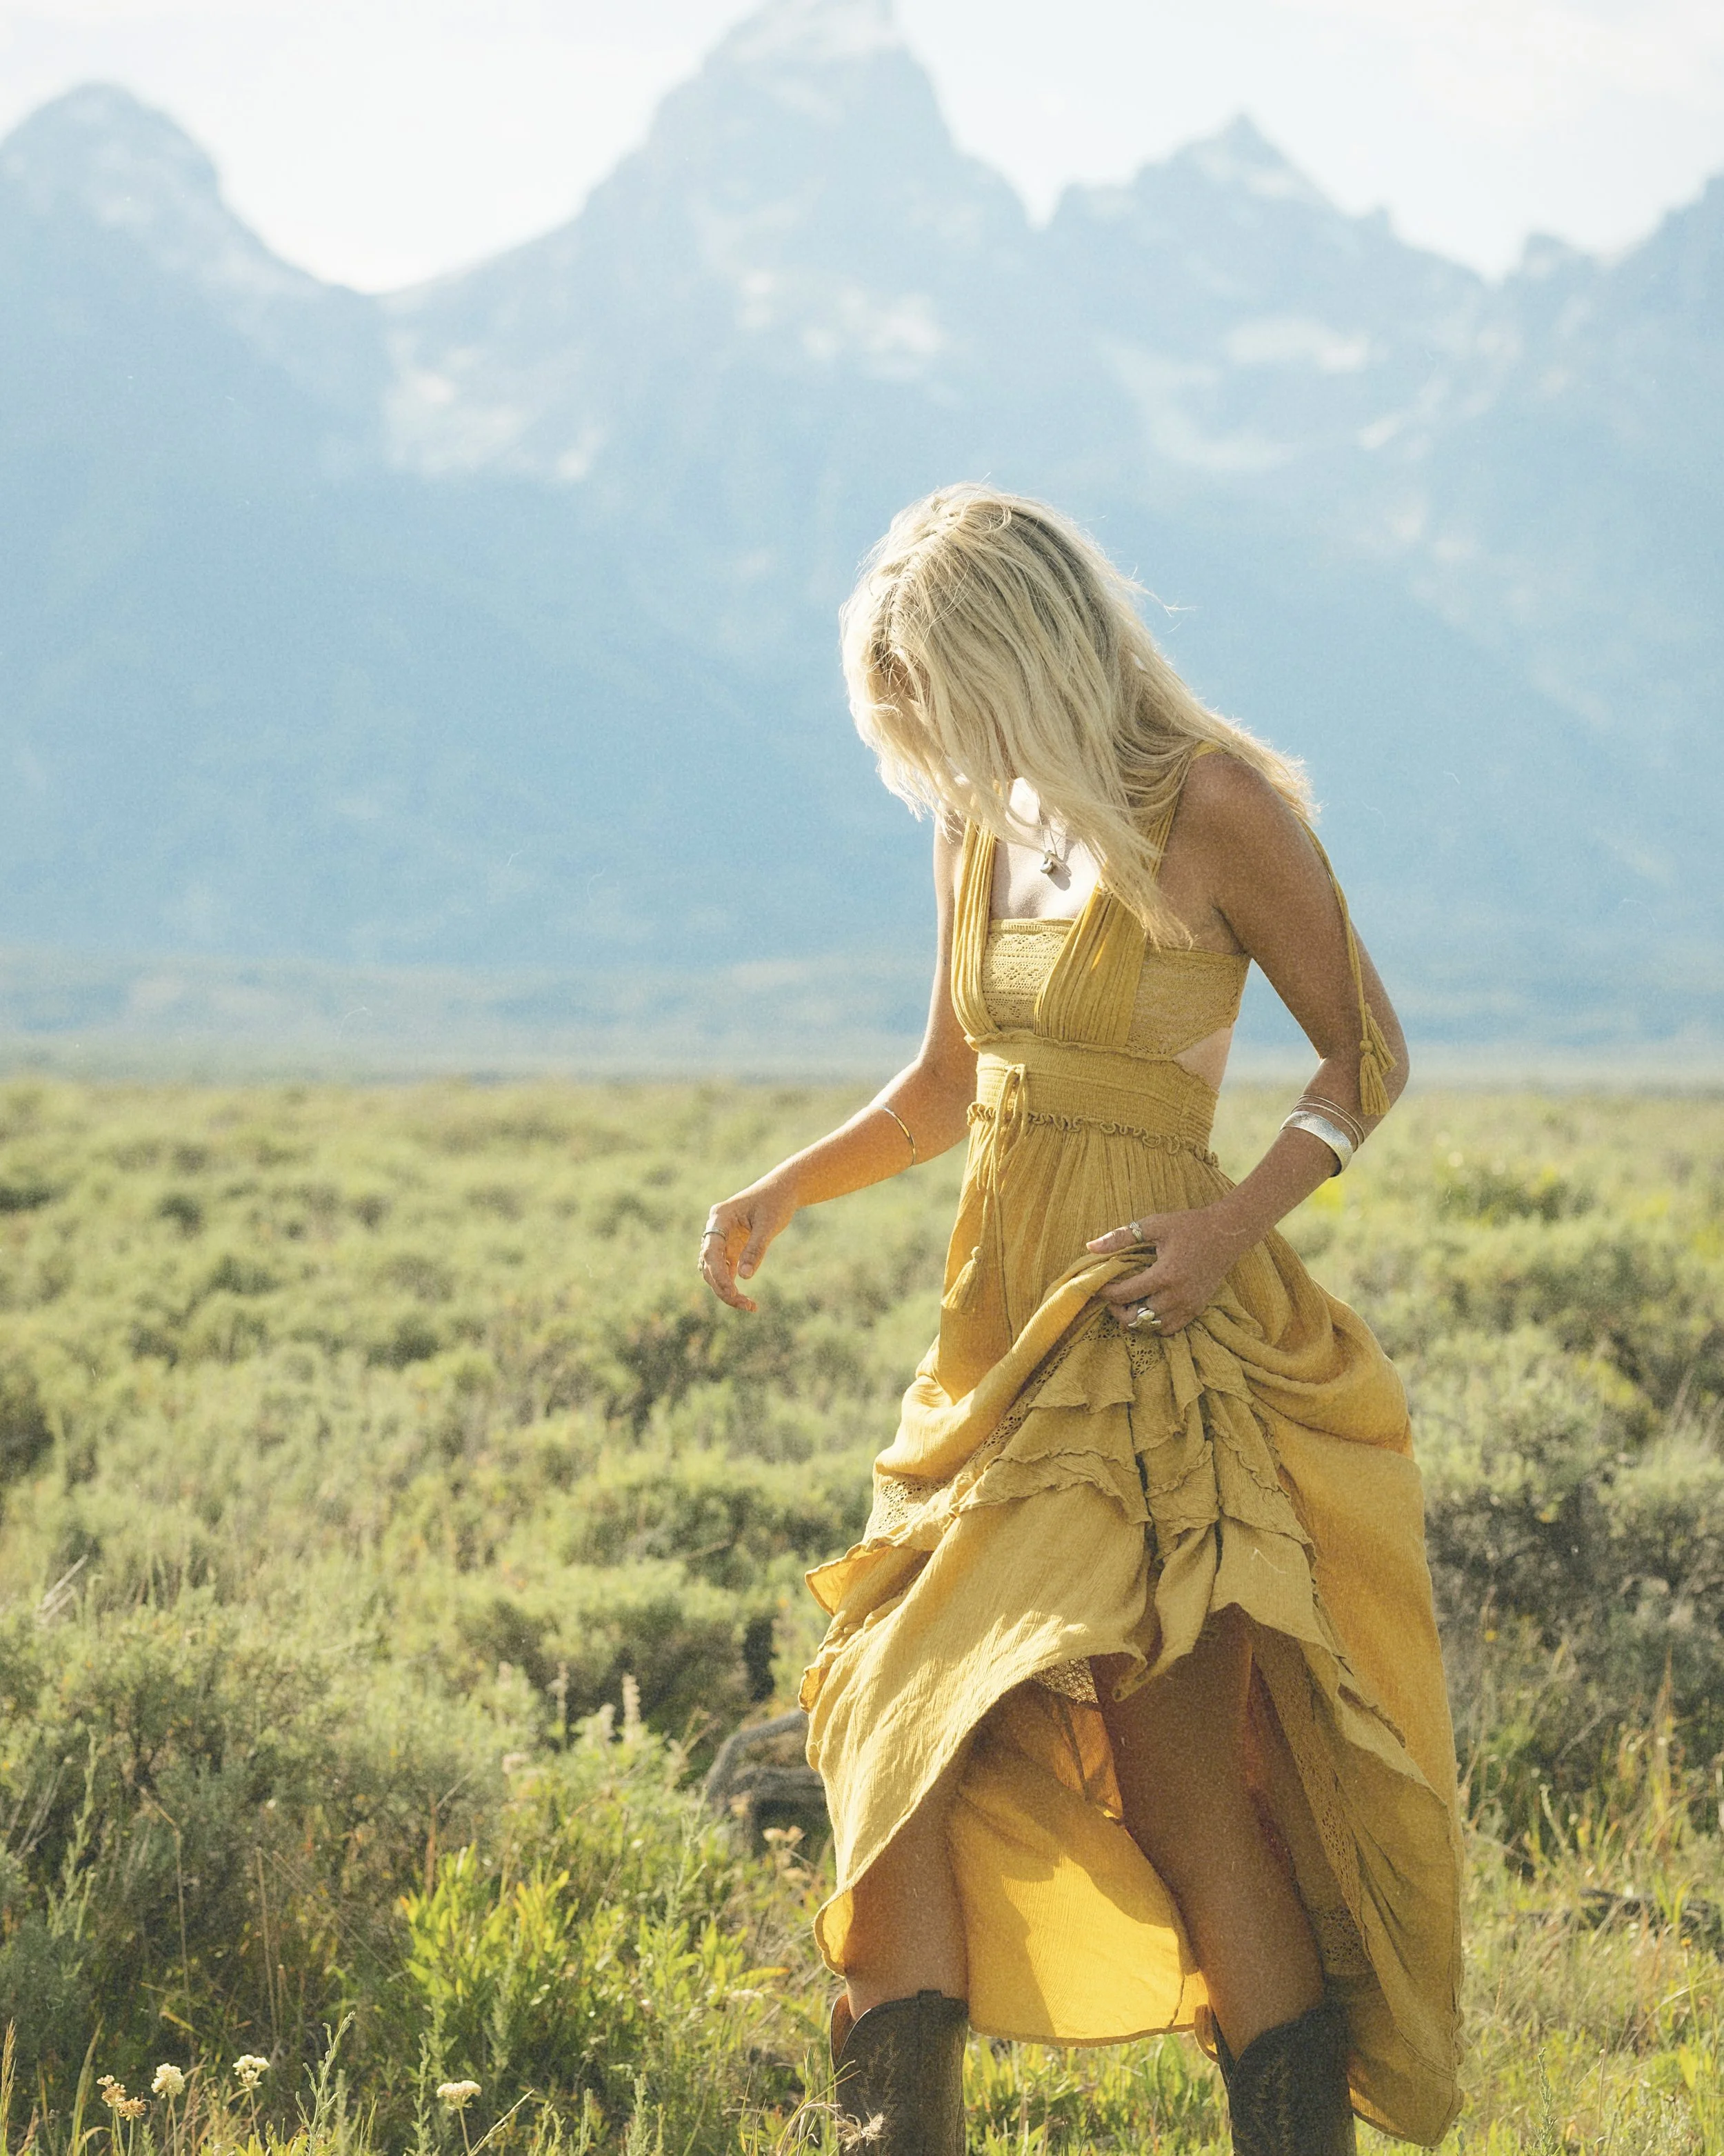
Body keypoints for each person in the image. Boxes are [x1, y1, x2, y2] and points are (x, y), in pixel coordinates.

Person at [698, 487, 1463, 2156]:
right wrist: (781, 1189)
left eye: (939, 694)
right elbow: (940, 1089)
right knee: (890, 1718)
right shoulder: (980, 825)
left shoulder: (1216, 809)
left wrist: (1222, 1226)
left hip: (1145, 1333)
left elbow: (1362, 1061)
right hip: (990, 1348)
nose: (929, 740)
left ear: (1017, 652)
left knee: (1187, 1788)